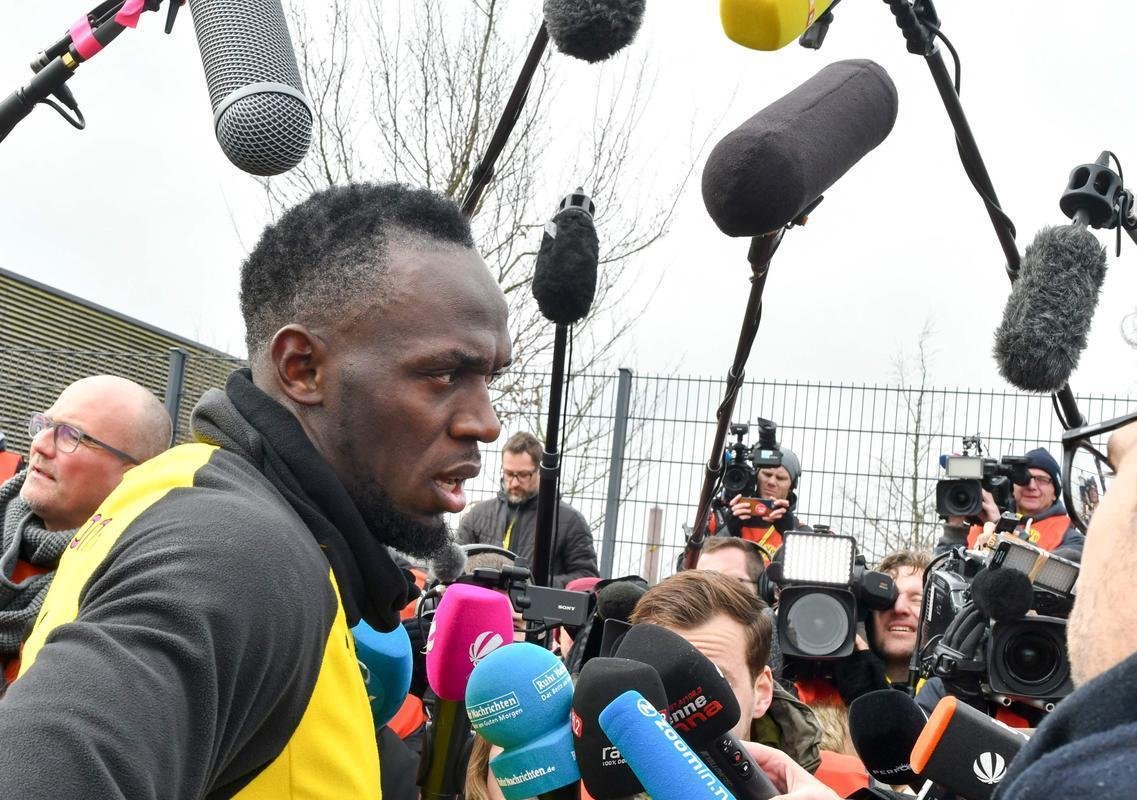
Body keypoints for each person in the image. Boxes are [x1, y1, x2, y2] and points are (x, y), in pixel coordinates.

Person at [0, 182, 512, 798]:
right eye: (443, 373)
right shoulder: (242, 554)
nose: (484, 422)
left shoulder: (213, 501)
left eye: (489, 377)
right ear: (302, 368)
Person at [992, 419, 1137, 799]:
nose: (1032, 485)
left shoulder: (1069, 532)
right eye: (1024, 479)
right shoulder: (986, 529)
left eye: (1116, 473)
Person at [0, 375, 170, 691]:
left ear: (133, 477)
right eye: (44, 424)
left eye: (70, 435)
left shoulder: (119, 595)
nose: (39, 444)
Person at [631, 570, 824, 775]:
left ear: (762, 692)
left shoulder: (839, 789)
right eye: (663, 684)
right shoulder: (596, 788)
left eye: (716, 681)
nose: (687, 707)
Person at [457, 431, 598, 588]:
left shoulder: (570, 521)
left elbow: (586, 579)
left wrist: (532, 583)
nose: (515, 483)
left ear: (540, 472)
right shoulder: (478, 515)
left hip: (538, 608)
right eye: (509, 474)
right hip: (484, 606)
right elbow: (455, 565)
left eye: (523, 475)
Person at [939, 447, 1084, 556]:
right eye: (1025, 479)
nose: (1032, 486)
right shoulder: (978, 521)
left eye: (1042, 480)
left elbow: (1050, 576)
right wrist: (956, 526)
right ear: (1013, 486)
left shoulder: (1071, 539)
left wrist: (1002, 526)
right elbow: (942, 571)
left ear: (1055, 493)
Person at [723, 445, 805, 556]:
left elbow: (807, 567)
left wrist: (790, 534)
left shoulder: (802, 531)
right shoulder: (723, 520)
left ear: (791, 487)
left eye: (780, 478)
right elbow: (702, 566)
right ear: (756, 478)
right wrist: (728, 531)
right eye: (767, 474)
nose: (771, 482)